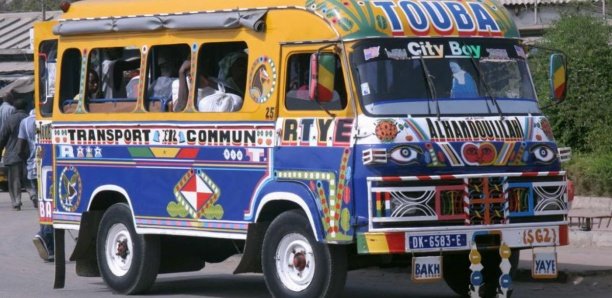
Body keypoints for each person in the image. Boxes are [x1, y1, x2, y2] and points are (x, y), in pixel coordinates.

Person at [17, 110, 54, 261]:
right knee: (50, 206)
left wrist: (28, 160)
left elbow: (20, 149)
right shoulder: (50, 120)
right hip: (49, 168)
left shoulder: (25, 123)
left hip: (33, 169)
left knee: (44, 206)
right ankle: (45, 236)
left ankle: (49, 245)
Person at [0, 98, 29, 210]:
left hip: (13, 154)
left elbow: (2, 138)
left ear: (15, 108)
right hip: (28, 154)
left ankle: (16, 202)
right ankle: (33, 194)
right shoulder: (29, 119)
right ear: (25, 107)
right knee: (29, 176)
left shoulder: (10, 120)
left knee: (14, 179)